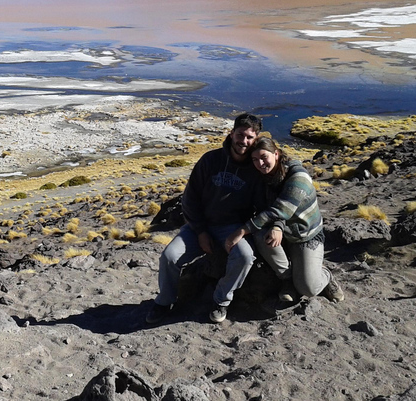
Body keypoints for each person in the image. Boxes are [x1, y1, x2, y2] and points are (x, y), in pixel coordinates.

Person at [146, 113, 263, 324]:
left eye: (249, 137)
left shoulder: (257, 167)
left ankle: (221, 300)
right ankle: (164, 301)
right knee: (170, 257)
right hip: (200, 226)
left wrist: (245, 230)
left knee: (245, 257)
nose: (243, 141)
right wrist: (200, 231)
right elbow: (189, 199)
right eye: (240, 134)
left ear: (256, 139)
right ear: (231, 133)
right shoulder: (211, 160)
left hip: (234, 228)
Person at [225, 137, 344, 303]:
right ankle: (287, 279)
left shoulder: (298, 177)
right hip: (283, 229)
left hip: (305, 235)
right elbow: (270, 208)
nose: (259, 163)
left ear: (276, 154)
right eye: (254, 159)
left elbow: (281, 209)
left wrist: (241, 231)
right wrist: (277, 227)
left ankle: (326, 276)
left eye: (263, 157)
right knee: (261, 236)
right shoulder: (264, 177)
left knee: (308, 288)